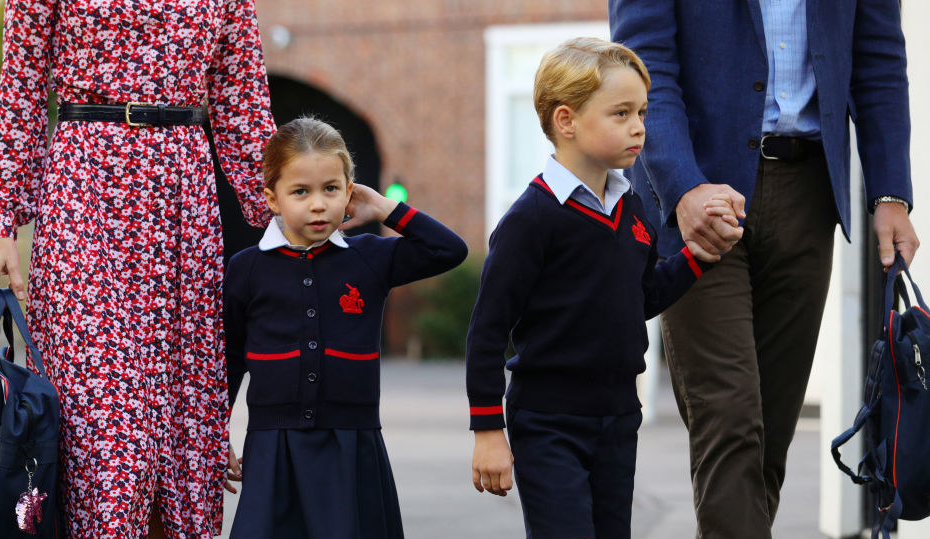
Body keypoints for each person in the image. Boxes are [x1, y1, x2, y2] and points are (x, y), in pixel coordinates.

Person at [609, 1, 920, 537]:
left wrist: (890, 191)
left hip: (809, 196)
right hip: (699, 198)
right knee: (728, 419)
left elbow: (879, 61)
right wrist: (681, 186)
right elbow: (643, 65)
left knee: (768, 436)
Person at [0, 0, 275, 536]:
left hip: (183, 195)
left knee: (181, 423)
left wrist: (296, 217)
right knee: (101, 425)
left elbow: (242, 100)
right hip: (86, 187)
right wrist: (0, 225)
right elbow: (20, 86)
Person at [465, 38, 742, 539]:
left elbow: (641, 299)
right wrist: (488, 430)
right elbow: (486, 331)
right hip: (547, 420)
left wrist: (696, 257)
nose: (639, 126)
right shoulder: (531, 220)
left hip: (617, 416)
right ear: (566, 121)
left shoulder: (634, 209)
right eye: (620, 113)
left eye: (641, 111)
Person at [224, 117, 468, 539]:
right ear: (273, 198)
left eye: (331, 189)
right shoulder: (247, 270)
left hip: (352, 447)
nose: (318, 204)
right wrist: (217, 431)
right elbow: (227, 361)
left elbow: (449, 249)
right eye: (301, 191)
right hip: (272, 449)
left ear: (349, 191)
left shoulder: (368, 259)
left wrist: (383, 208)